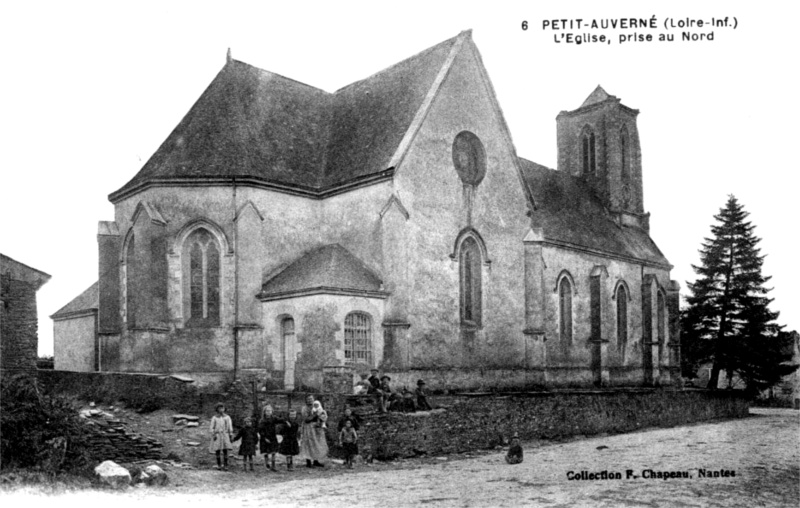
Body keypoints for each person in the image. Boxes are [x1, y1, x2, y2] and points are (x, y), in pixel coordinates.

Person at [299, 395, 329, 467]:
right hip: (309, 428)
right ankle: (308, 462)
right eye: (308, 399)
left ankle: (316, 460)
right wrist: (315, 415)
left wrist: (322, 418)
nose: (310, 401)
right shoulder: (304, 408)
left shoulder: (317, 406)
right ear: (306, 400)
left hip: (317, 428)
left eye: (311, 399)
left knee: (317, 444)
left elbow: (322, 414)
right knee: (309, 444)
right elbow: (306, 419)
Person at [208, 403, 234, 470]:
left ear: (224, 409)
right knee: (217, 450)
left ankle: (226, 465)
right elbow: (212, 427)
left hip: (225, 434)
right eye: (219, 408)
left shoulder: (227, 417)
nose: (221, 410)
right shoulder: (214, 418)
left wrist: (230, 435)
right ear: (217, 409)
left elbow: (230, 426)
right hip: (217, 435)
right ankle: (219, 465)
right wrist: (213, 434)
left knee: (225, 450)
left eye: (222, 408)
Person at [258, 404, 280, 472]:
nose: (268, 412)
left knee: (273, 451)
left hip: (272, 437)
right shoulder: (262, 421)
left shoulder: (274, 418)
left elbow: (280, 420)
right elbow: (260, 430)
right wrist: (264, 438)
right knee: (266, 452)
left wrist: (286, 421)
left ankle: (273, 466)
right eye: (267, 411)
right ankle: (267, 465)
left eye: (270, 411)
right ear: (264, 412)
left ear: (272, 411)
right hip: (265, 437)